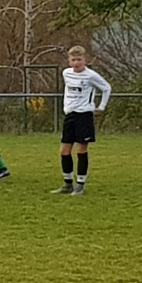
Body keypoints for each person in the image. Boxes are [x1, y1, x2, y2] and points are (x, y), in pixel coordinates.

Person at [52, 45, 111, 196]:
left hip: (84, 115)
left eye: (79, 59)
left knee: (81, 150)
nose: (76, 63)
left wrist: (101, 107)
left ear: (85, 60)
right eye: (73, 60)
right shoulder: (66, 73)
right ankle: (67, 183)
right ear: (69, 61)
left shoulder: (90, 76)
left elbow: (106, 88)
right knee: (64, 151)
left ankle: (80, 184)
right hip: (70, 115)